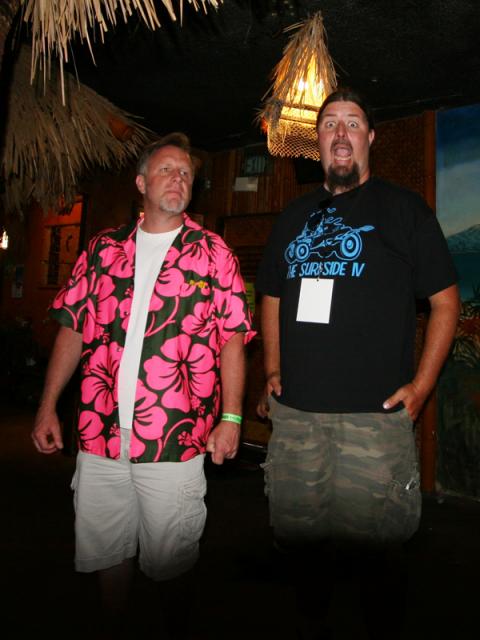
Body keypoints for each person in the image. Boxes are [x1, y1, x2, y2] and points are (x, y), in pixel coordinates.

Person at [32, 132, 255, 638]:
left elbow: (233, 339)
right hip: (100, 434)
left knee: (172, 562)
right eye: (166, 170)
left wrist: (232, 417)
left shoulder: (213, 254)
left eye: (186, 174)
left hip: (175, 439)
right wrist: (47, 406)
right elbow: (72, 327)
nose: (178, 179)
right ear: (140, 183)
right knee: (107, 552)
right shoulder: (102, 250)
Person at [256, 88, 460, 639]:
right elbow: (270, 294)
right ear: (318, 142)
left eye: (352, 123)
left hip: (375, 419)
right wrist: (271, 368)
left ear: (370, 138)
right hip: (297, 417)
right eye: (329, 124)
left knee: (379, 554)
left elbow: (445, 302)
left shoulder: (404, 210)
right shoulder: (292, 217)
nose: (340, 133)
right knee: (301, 546)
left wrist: (422, 385)